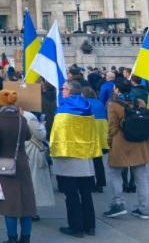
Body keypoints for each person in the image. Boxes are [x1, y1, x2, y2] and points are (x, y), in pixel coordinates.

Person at [0, 90, 37, 243]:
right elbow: (28, 136)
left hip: (5, 165)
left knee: (10, 205)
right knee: (26, 203)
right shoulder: (21, 119)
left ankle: (12, 238)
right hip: (22, 162)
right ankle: (26, 238)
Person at [51, 80, 98, 237]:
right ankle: (90, 226)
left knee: (71, 195)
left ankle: (76, 227)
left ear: (70, 91)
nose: (62, 91)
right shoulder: (87, 107)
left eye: (63, 88)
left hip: (69, 158)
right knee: (86, 193)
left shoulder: (63, 110)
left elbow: (57, 135)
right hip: (85, 157)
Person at [104, 77, 149, 219]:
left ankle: (118, 204)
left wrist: (109, 142)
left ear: (117, 89)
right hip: (140, 144)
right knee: (141, 178)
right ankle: (145, 209)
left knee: (115, 174)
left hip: (121, 143)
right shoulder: (140, 102)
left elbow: (112, 128)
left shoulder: (113, 104)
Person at [22, 108, 54, 218]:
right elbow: (41, 135)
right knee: (33, 181)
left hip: (21, 149)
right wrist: (42, 126)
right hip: (31, 150)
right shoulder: (29, 117)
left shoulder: (12, 113)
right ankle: (31, 209)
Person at [82, 86, 108, 192]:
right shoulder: (100, 103)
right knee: (98, 161)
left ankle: (90, 183)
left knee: (88, 161)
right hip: (101, 135)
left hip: (89, 133)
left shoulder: (84, 104)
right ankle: (100, 183)